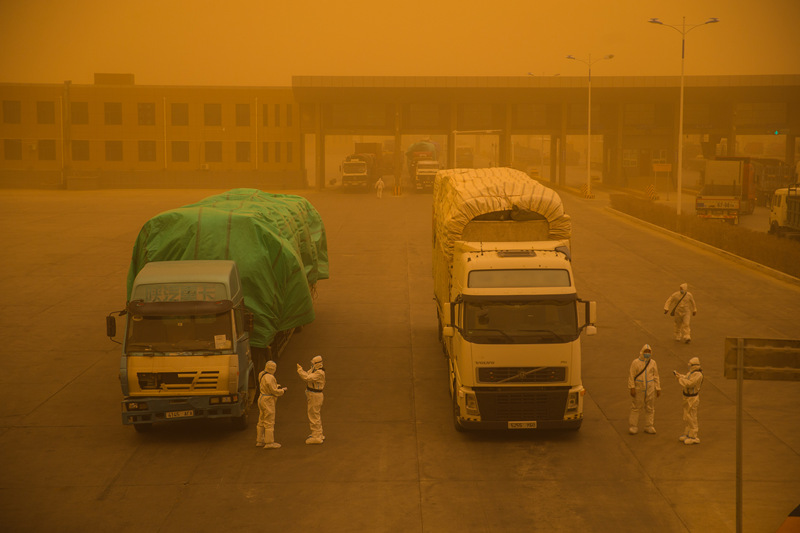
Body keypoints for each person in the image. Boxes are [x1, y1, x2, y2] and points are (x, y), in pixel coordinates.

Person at [628, 344, 661, 435]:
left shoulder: (653, 363)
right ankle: (633, 426)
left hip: (650, 387)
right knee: (636, 407)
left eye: (649, 352)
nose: (647, 354)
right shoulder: (635, 362)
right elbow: (631, 375)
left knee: (650, 407)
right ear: (642, 352)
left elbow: (656, 376)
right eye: (646, 352)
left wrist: (658, 388)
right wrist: (632, 387)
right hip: (639, 387)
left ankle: (649, 425)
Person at [256, 360, 287, 449]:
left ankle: (259, 440)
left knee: (261, 419)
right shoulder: (270, 377)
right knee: (269, 421)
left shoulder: (261, 374)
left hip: (261, 398)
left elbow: (266, 386)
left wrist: (275, 386)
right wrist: (282, 390)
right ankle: (269, 442)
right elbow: (274, 391)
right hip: (268, 400)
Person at [674, 357, 704, 445]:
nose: (689, 366)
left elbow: (690, 383)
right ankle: (687, 433)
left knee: (692, 417)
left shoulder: (698, 375)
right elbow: (686, 377)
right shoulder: (691, 373)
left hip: (693, 398)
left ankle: (693, 436)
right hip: (687, 397)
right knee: (687, 416)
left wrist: (680, 379)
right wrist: (680, 376)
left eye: (690, 364)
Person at [297, 355, 326, 444]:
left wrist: (300, 370)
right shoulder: (314, 371)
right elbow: (308, 374)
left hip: (315, 395)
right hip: (313, 395)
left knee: (313, 415)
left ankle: (316, 436)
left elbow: (307, 377)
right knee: (315, 414)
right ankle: (318, 433)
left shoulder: (319, 373)